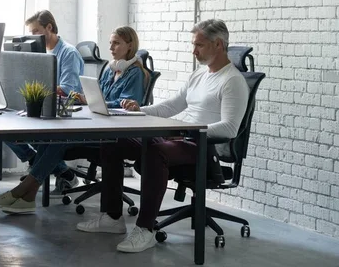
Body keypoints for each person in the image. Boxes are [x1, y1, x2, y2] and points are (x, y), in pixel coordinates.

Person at [77, 19, 249, 254]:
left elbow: (230, 128)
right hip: (176, 137)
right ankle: (112, 217)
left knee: (156, 152)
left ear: (218, 44)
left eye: (199, 45)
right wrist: (139, 110)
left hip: (198, 145)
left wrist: (187, 130)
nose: (193, 51)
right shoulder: (198, 75)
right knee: (114, 142)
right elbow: (171, 106)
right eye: (193, 44)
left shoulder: (233, 81)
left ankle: (145, 230)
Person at [0, 26, 149, 214]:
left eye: (116, 43)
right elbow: (98, 95)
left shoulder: (134, 72)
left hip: (114, 133)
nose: (111, 48)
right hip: (98, 123)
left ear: (130, 45)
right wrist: (84, 97)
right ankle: (29, 196)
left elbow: (126, 104)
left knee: (60, 140)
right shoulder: (111, 69)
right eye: (110, 43)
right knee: (51, 137)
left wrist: (94, 101)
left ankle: (24, 190)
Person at [6, 10, 85, 196]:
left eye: (35, 31)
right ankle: (48, 166)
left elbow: (67, 88)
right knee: (5, 128)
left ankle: (43, 169)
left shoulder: (68, 53)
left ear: (49, 27)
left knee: (33, 136)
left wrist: (36, 90)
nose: (32, 37)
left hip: (63, 112)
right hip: (43, 108)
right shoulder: (40, 53)